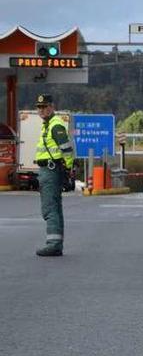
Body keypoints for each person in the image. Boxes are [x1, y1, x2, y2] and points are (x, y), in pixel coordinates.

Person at [34, 94, 74, 257]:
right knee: (55, 208)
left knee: (50, 208)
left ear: (52, 107)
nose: (42, 110)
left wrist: (68, 169)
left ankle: (53, 244)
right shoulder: (48, 125)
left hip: (51, 171)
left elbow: (66, 150)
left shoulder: (55, 126)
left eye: (45, 107)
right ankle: (56, 243)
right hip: (49, 170)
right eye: (39, 107)